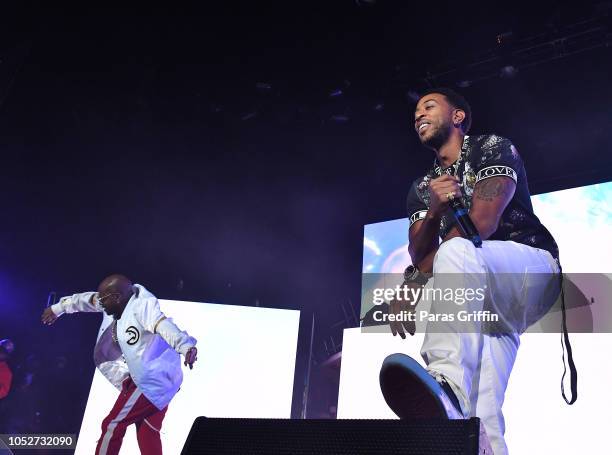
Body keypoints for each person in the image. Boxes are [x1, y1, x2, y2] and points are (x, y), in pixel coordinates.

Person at [379, 88, 560, 455]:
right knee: (481, 417)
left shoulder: (491, 148)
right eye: (415, 111)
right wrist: (433, 210)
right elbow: (418, 251)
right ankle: (461, 419)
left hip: (529, 270)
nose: (419, 115)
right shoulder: (421, 187)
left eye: (428, 106)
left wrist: (414, 279)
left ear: (457, 116)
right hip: (483, 296)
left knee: (456, 251)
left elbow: (484, 222)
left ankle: (445, 383)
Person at [41, 274, 198, 455]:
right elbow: (86, 300)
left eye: (104, 300)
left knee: (112, 425)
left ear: (116, 297)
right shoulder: (114, 302)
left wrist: (186, 346)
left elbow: (162, 325)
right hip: (153, 378)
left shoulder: (142, 307)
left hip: (152, 380)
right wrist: (58, 308)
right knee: (148, 431)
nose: (100, 303)